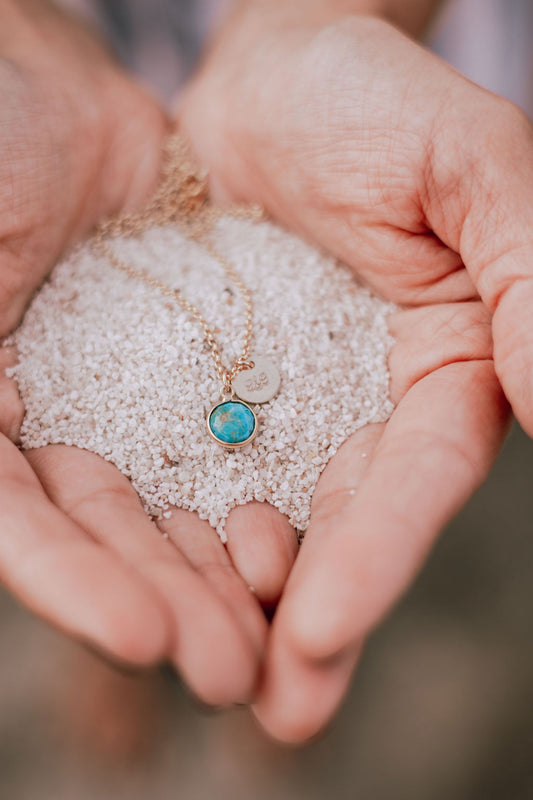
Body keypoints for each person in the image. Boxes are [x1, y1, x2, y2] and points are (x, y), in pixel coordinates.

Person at [0, 0, 531, 745]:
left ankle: (261, 664)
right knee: (86, 535)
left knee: (342, 536)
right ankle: (110, 656)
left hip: (354, 76)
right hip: (82, 50)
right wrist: (23, 34)